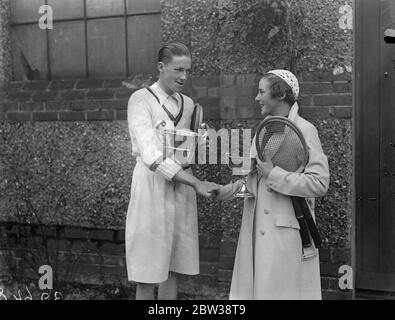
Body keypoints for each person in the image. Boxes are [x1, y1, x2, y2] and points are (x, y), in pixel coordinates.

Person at [214, 69, 330, 299]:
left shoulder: (306, 130)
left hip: (285, 235)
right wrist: (227, 191)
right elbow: (255, 183)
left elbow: (319, 183)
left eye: (261, 92)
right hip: (256, 233)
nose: (257, 98)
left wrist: (274, 174)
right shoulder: (264, 129)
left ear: (280, 95)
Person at [126, 42, 218, 300]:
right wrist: (196, 183)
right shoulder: (141, 99)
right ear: (161, 67)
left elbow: (182, 152)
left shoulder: (188, 104)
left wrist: (199, 141)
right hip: (152, 186)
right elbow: (151, 154)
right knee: (148, 268)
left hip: (181, 187)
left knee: (173, 267)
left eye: (187, 71)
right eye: (178, 69)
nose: (184, 77)